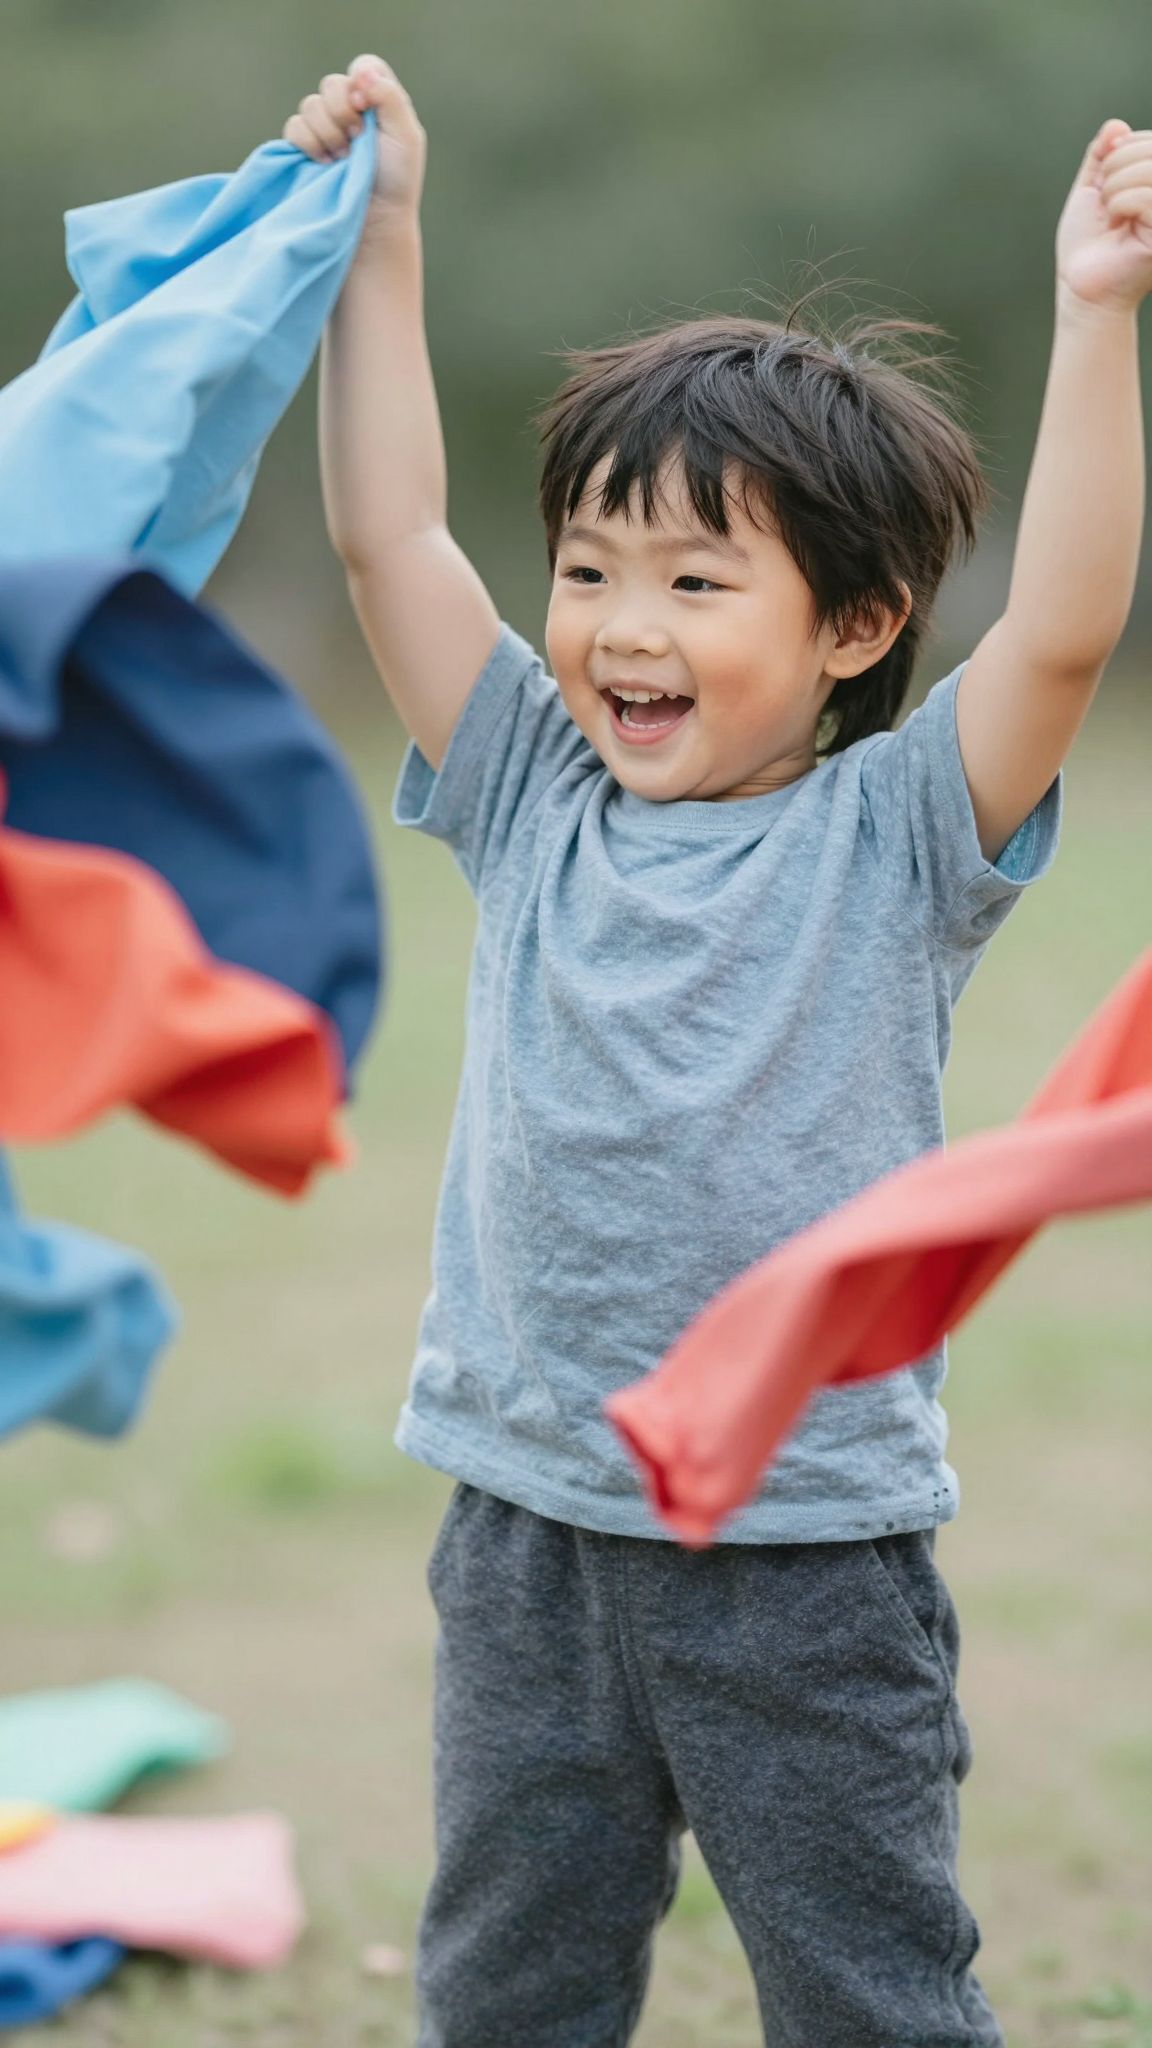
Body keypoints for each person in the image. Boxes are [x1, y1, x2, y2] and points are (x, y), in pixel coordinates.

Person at [285, 59, 1150, 2048]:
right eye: (589, 570)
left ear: (853, 626)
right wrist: (385, 236)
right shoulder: (525, 788)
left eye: (692, 578)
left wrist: (1095, 318)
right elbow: (387, 533)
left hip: (803, 1557)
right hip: (524, 1528)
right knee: (507, 1985)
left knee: (866, 1989)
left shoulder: (894, 834)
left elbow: (1066, 632)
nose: (616, 626)